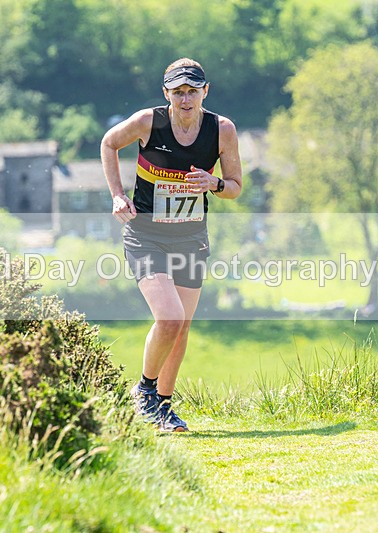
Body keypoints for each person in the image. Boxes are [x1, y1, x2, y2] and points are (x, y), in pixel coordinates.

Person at [100, 58, 243, 432]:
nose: (185, 99)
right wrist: (117, 195)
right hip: (145, 234)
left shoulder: (221, 129)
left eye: (192, 91)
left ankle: (162, 408)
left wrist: (213, 185)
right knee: (169, 317)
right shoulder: (148, 121)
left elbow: (235, 187)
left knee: (181, 328)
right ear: (166, 94)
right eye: (178, 92)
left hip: (191, 236)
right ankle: (144, 393)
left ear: (205, 91)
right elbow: (108, 143)